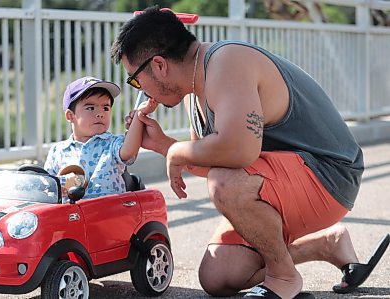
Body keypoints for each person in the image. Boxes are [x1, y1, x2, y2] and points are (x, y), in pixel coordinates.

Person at [111, 6, 389, 299]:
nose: (139, 89)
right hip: (289, 178)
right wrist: (164, 145)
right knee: (219, 275)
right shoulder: (196, 91)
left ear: (159, 65)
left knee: (225, 183)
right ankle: (326, 244)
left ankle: (283, 278)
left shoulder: (227, 62)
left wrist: (179, 151)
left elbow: (239, 152)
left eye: (135, 79)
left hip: (330, 174)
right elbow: (217, 160)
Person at [44, 76, 156, 199]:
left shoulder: (112, 144)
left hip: (110, 212)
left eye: (105, 108)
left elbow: (129, 151)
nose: (100, 113)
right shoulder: (58, 151)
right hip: (71, 215)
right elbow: (47, 187)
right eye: (90, 108)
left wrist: (139, 116)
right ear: (70, 116)